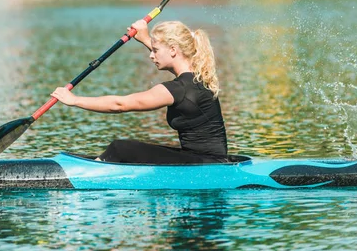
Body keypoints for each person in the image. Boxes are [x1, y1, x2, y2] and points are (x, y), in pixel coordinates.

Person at [51, 19, 228, 164]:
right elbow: (173, 60)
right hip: (205, 160)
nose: (151, 55)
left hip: (206, 164)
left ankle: (93, 170)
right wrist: (145, 38)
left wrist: (75, 100)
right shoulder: (197, 77)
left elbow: (120, 105)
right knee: (128, 151)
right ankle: (99, 163)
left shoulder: (178, 89)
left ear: (173, 50)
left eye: (156, 51)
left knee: (120, 148)